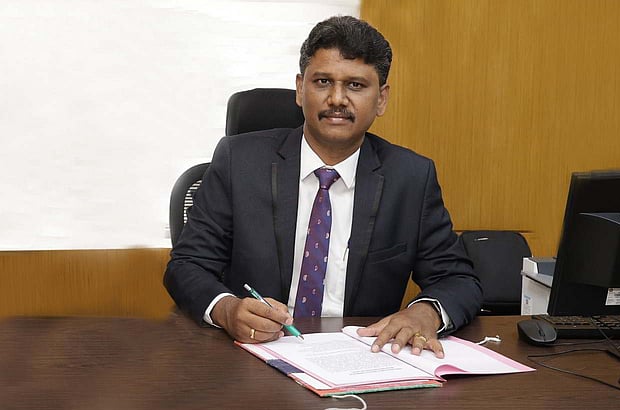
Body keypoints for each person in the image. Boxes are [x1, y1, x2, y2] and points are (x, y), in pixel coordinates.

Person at [164, 15, 482, 358]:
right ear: (301, 89)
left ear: (381, 99)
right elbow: (187, 264)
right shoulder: (239, 161)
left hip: (363, 359)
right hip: (254, 355)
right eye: (323, 82)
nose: (337, 99)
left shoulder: (410, 178)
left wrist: (425, 313)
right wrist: (227, 310)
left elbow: (458, 280)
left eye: (356, 85)